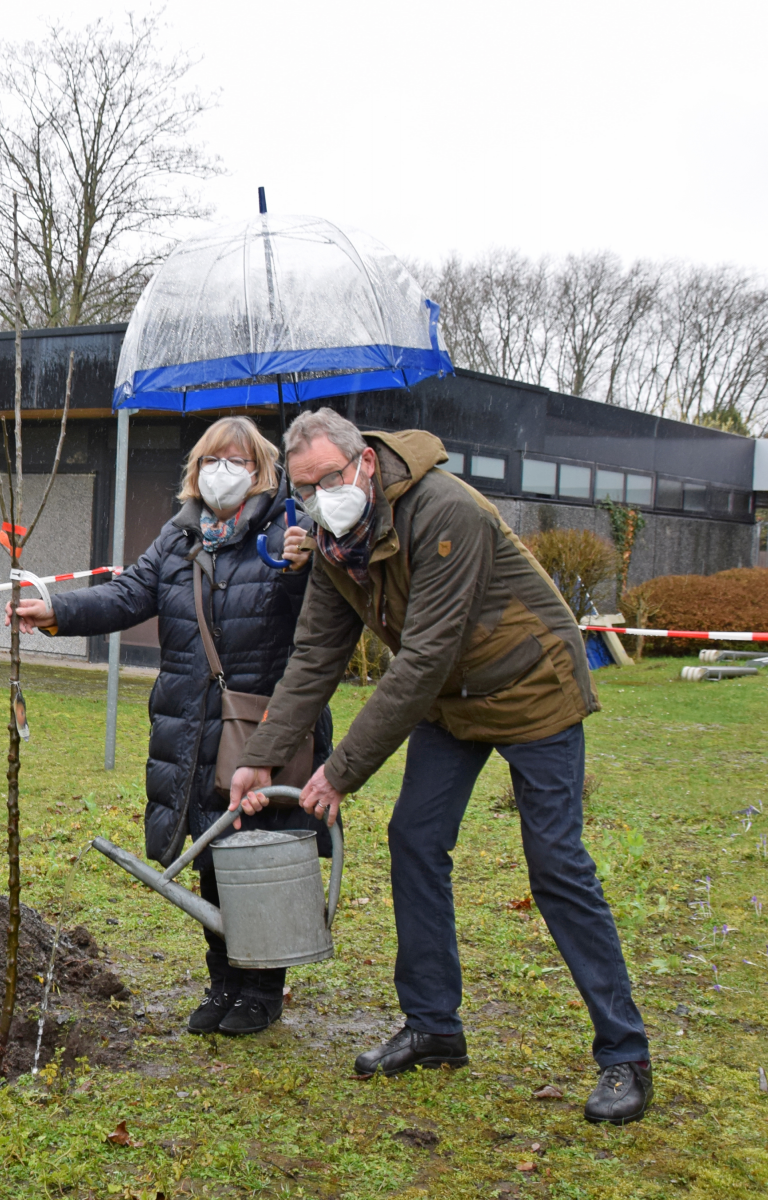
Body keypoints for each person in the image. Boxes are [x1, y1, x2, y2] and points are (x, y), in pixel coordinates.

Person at [229, 407, 652, 1124]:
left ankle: (624, 1054)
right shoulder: (337, 541)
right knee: (416, 841)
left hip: (531, 687)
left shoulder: (445, 509)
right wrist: (259, 757)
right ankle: (434, 1027)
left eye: (330, 478)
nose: (320, 497)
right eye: (305, 488)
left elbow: (422, 656)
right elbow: (314, 659)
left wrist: (340, 770)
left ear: (364, 463)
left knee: (556, 864)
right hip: (453, 703)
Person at [9, 416, 333, 1036]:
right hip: (190, 727)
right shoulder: (181, 537)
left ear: (262, 469)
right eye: (211, 459)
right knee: (211, 852)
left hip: (261, 725)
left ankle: (262, 989)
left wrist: (306, 565)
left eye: (235, 460)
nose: (221, 471)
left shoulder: (291, 531)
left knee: (259, 850)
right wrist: (55, 612)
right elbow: (127, 597)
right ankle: (222, 980)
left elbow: (321, 621)